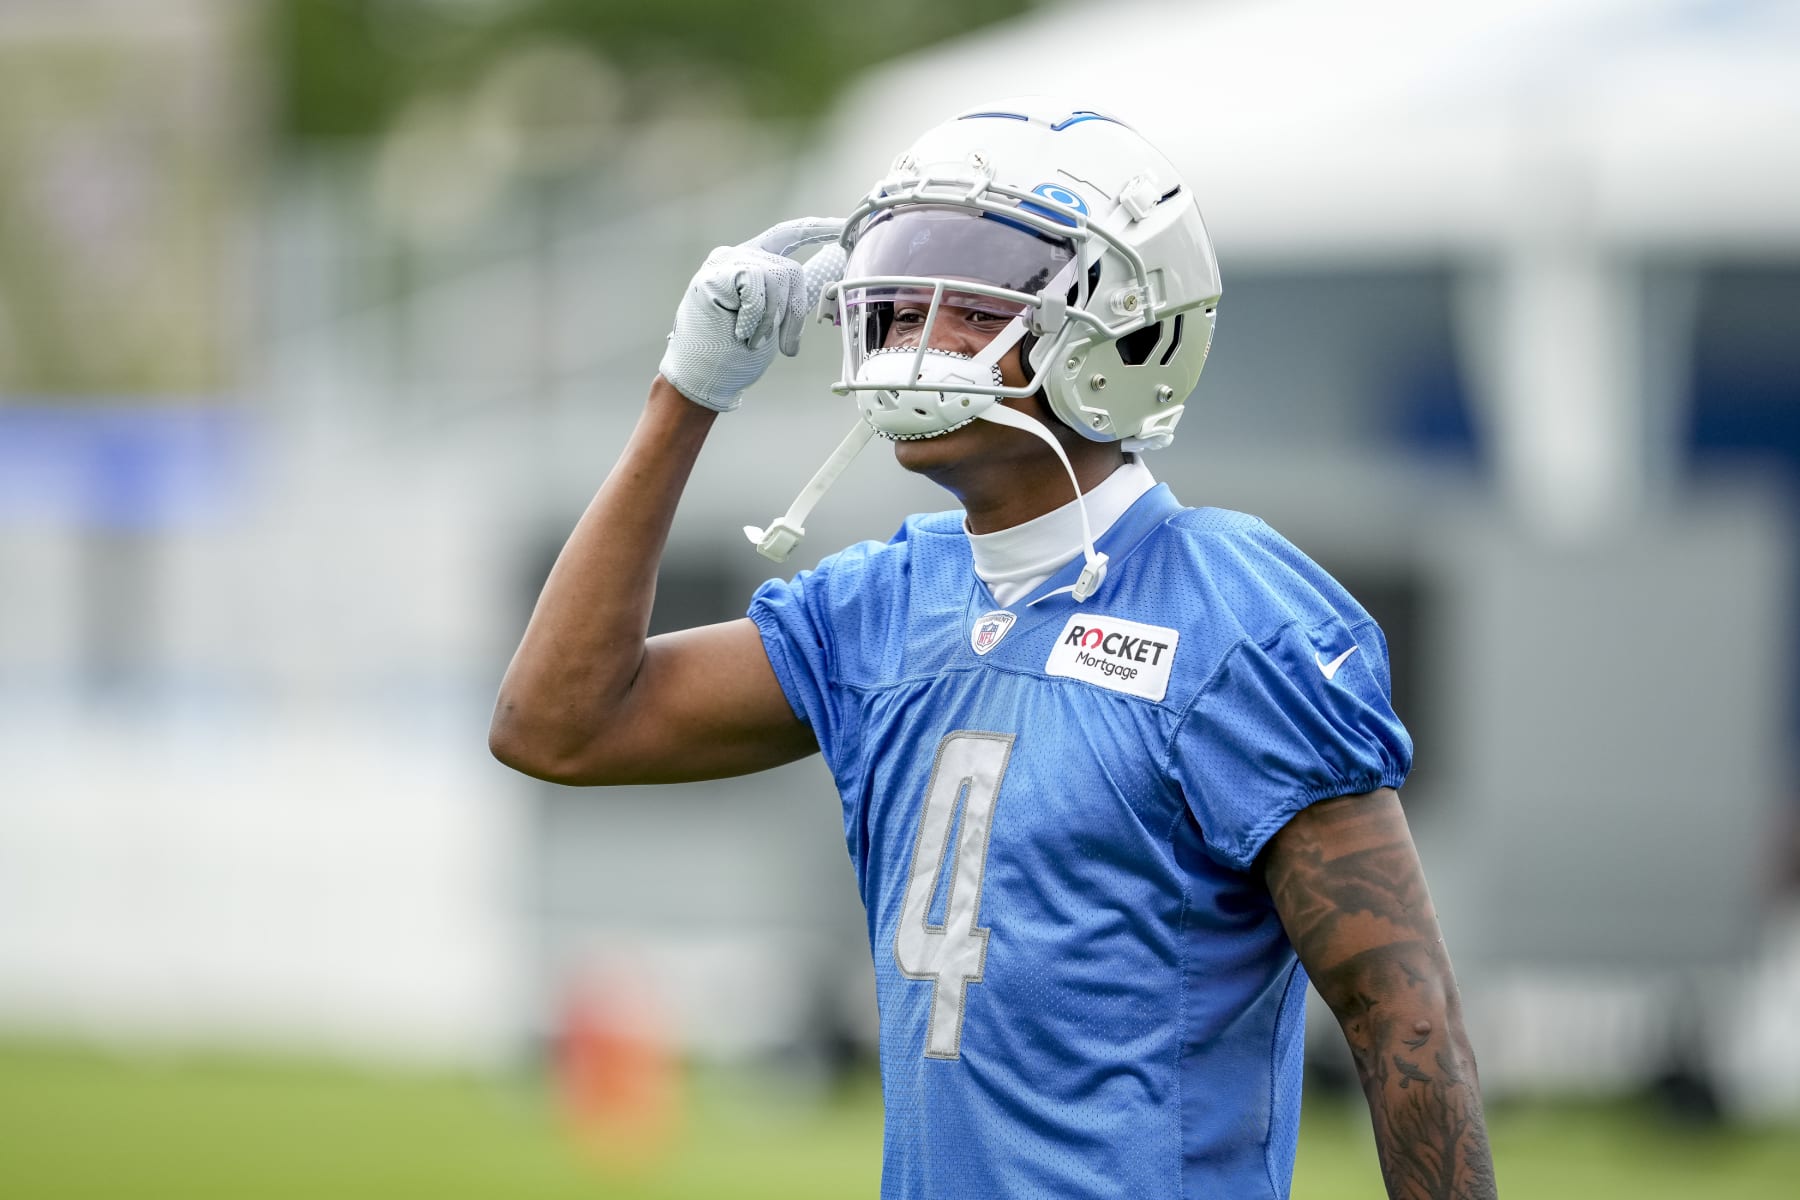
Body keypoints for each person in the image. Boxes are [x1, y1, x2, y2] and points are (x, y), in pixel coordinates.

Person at [490, 98, 1497, 1200]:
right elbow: (559, 722)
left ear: (1129, 332)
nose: (923, 333)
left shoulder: (1236, 616)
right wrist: (686, 395)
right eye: (909, 294)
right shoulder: (884, 602)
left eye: (975, 304)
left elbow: (1401, 1016)